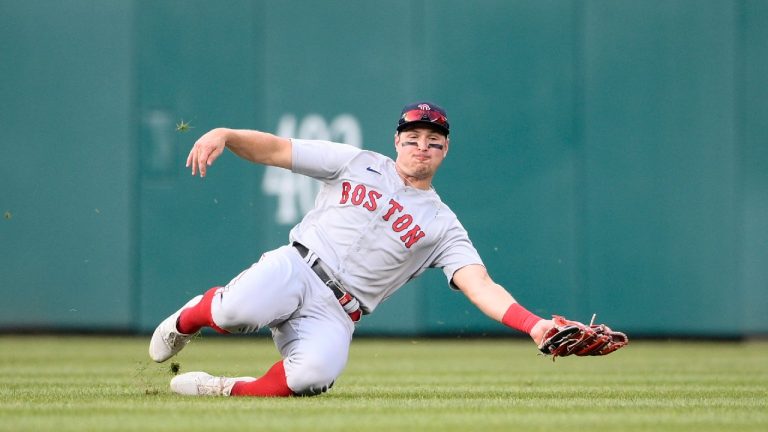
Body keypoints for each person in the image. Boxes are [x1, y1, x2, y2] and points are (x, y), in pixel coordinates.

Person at [149, 101, 556, 397]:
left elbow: (480, 285)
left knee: (309, 378)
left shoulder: (443, 225)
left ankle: (220, 389)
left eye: (433, 141)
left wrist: (535, 325)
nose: (421, 147)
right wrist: (226, 133)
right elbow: (275, 149)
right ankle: (184, 321)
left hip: (340, 311)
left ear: (445, 150)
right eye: (413, 138)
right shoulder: (355, 162)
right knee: (234, 312)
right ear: (397, 140)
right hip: (299, 266)